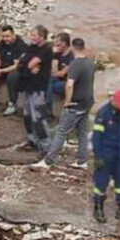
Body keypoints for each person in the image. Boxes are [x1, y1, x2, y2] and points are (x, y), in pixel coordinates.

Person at [33, 37, 95, 170]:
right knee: (82, 132)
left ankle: (48, 161)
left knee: (61, 131)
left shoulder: (74, 64)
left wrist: (67, 102)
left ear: (72, 48)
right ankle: (81, 161)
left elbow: (70, 84)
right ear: (83, 47)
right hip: (88, 101)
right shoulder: (90, 62)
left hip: (76, 104)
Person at [90, 90, 120, 223]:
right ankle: (98, 209)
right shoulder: (103, 114)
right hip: (105, 153)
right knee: (101, 183)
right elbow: (96, 137)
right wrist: (98, 156)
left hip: (119, 154)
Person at [16, 25, 53, 154]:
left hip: (38, 88)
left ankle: (46, 147)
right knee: (27, 115)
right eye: (30, 35)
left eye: (34, 35)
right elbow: (20, 64)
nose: (31, 37)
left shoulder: (46, 50)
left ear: (42, 37)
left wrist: (26, 66)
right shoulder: (31, 48)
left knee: (38, 117)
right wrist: (26, 67)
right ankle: (32, 141)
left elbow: (29, 63)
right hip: (28, 86)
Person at [0, 25, 27, 116]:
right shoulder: (3, 43)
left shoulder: (20, 45)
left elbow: (16, 66)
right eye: (3, 36)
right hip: (6, 65)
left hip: (19, 69)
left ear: (13, 34)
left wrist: (2, 71)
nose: (5, 39)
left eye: (7, 36)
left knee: (12, 76)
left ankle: (12, 104)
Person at [45, 32, 74, 113]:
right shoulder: (58, 53)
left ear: (64, 43)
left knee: (47, 82)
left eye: (58, 42)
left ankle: (48, 110)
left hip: (66, 84)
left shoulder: (71, 57)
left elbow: (62, 73)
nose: (55, 44)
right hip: (56, 80)